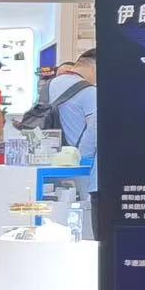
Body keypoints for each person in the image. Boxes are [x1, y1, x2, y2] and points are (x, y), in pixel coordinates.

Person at [44, 51, 99, 232]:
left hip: (50, 160)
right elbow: (94, 127)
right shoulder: (90, 91)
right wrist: (84, 157)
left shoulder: (49, 85)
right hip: (81, 165)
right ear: (94, 67)